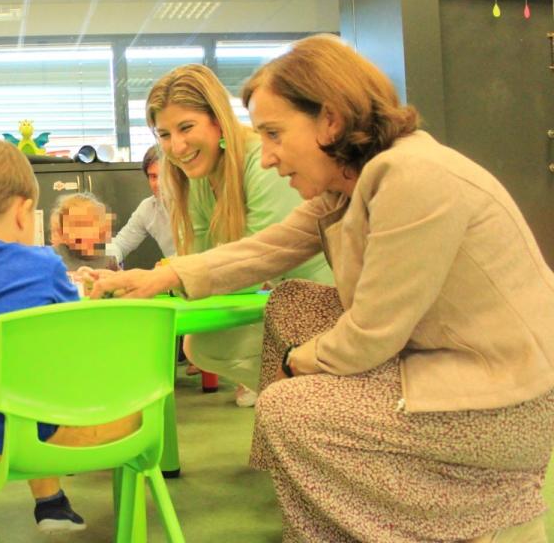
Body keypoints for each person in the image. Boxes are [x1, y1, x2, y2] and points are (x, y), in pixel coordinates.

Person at [91, 34, 554, 542]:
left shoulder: (413, 177)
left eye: (273, 133)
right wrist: (162, 275)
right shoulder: (352, 183)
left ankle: (452, 521)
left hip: (505, 404)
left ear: (330, 120)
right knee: (292, 306)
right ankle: (310, 498)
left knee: (288, 408)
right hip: (443, 366)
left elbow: (372, 333)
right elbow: (265, 249)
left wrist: (298, 363)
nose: (265, 156)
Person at [0, 140, 139, 534]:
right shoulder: (46, 267)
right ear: (25, 212)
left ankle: (51, 501)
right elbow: (72, 328)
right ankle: (124, 524)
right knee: (128, 412)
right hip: (44, 430)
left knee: (19, 385)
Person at [147, 63, 333, 407]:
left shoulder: (261, 163)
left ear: (218, 119)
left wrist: (163, 278)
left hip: (325, 300)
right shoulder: (201, 177)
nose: (176, 146)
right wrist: (159, 278)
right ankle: (299, 404)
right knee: (204, 344)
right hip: (287, 299)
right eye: (165, 134)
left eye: (186, 127)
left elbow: (255, 264)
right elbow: (204, 260)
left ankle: (309, 403)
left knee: (209, 344)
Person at [106, 145, 175, 265]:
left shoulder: (199, 202)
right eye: (153, 176)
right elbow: (121, 243)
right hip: (174, 275)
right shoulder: (148, 208)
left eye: (164, 175)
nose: (158, 183)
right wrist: (104, 263)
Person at [49, 192, 119, 275]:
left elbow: (121, 281)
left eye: (90, 225)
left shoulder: (108, 259)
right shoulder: (53, 256)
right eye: (76, 227)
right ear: (62, 234)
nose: (85, 232)